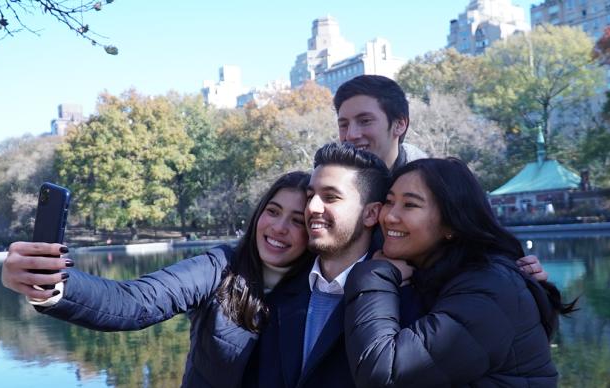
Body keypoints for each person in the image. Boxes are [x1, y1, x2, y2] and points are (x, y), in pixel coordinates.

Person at [1, 171, 315, 388]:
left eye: (297, 220)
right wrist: (53, 283)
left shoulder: (322, 288)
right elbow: (134, 303)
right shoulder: (221, 267)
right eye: (273, 211)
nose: (279, 227)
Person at [343, 158, 577, 387]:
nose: (389, 216)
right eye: (389, 201)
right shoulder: (431, 275)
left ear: (451, 223)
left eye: (410, 205)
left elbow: (382, 372)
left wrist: (375, 274)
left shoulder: (489, 291)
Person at [334, 75, 546, 280]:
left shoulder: (442, 187)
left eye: (365, 121)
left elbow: (483, 245)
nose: (351, 134)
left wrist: (519, 274)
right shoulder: (325, 190)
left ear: (400, 125)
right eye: (343, 124)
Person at [246, 142, 405, 388]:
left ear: (371, 214)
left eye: (330, 197)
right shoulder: (278, 294)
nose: (311, 208)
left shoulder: (403, 299)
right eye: (311, 196)